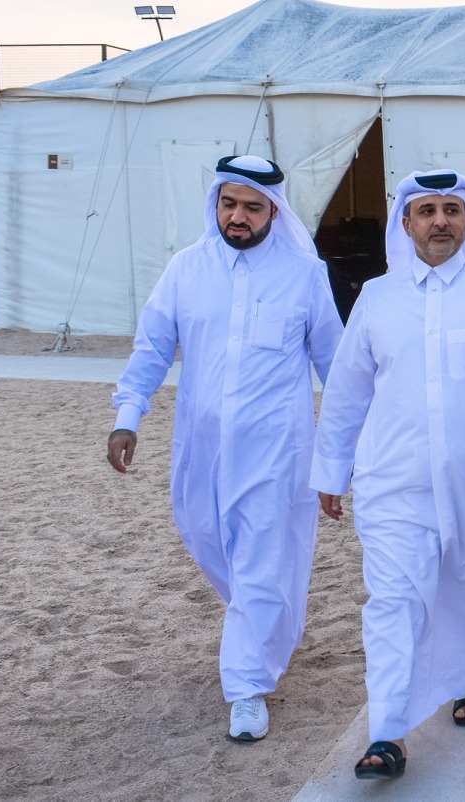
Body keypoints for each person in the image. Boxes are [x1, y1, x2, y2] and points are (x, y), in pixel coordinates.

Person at [310, 169, 465, 781]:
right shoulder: (377, 297)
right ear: (407, 224)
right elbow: (346, 391)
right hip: (392, 484)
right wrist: (330, 469)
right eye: (426, 211)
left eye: (451, 209)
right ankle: (387, 732)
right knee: (393, 603)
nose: (440, 221)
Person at [107, 155, 344, 742]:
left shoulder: (303, 273)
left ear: (274, 212)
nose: (237, 217)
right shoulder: (186, 269)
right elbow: (152, 347)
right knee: (211, 543)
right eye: (228, 204)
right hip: (201, 449)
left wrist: (344, 450)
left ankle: (246, 688)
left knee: (262, 562)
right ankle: (266, 624)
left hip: (277, 451)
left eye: (251, 207)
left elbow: (335, 366)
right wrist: (128, 415)